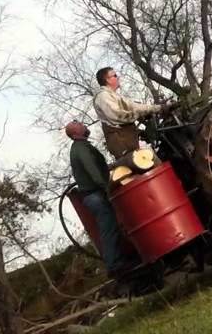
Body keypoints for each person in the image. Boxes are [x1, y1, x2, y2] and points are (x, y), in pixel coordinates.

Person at [65, 121, 135, 276]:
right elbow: (92, 170)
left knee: (111, 228)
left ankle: (118, 262)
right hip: (94, 196)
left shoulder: (81, 148)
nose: (84, 126)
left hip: (94, 195)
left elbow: (96, 166)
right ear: (76, 133)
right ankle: (115, 266)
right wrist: (106, 186)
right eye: (81, 125)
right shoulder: (81, 149)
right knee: (108, 230)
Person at [92, 66, 168, 158]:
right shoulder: (103, 97)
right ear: (107, 80)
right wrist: (139, 114)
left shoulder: (115, 96)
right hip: (122, 145)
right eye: (115, 75)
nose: (118, 77)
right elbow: (118, 116)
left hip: (129, 141)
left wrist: (158, 108)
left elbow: (136, 106)